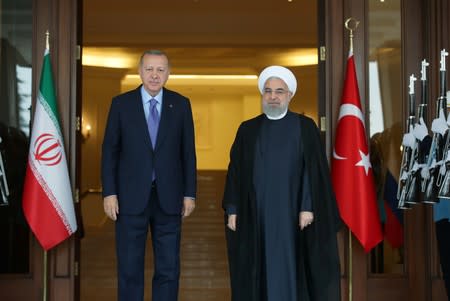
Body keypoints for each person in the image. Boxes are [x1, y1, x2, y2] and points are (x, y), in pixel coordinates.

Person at [222, 65, 341, 301]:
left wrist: (307, 205)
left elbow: (313, 170)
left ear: (290, 95)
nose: (273, 97)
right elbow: (235, 170)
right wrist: (233, 208)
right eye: (268, 91)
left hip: (293, 213)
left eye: (279, 91)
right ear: (262, 95)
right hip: (256, 213)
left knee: (292, 267)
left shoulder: (305, 127)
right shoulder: (248, 129)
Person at [101, 49, 197, 301]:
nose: (155, 75)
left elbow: (188, 153)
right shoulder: (121, 104)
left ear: (169, 73)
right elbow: (110, 151)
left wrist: (190, 194)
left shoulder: (181, 104)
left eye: (161, 69)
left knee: (168, 269)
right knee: (130, 269)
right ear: (140, 71)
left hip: (170, 198)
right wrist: (109, 192)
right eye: (149, 69)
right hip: (129, 199)